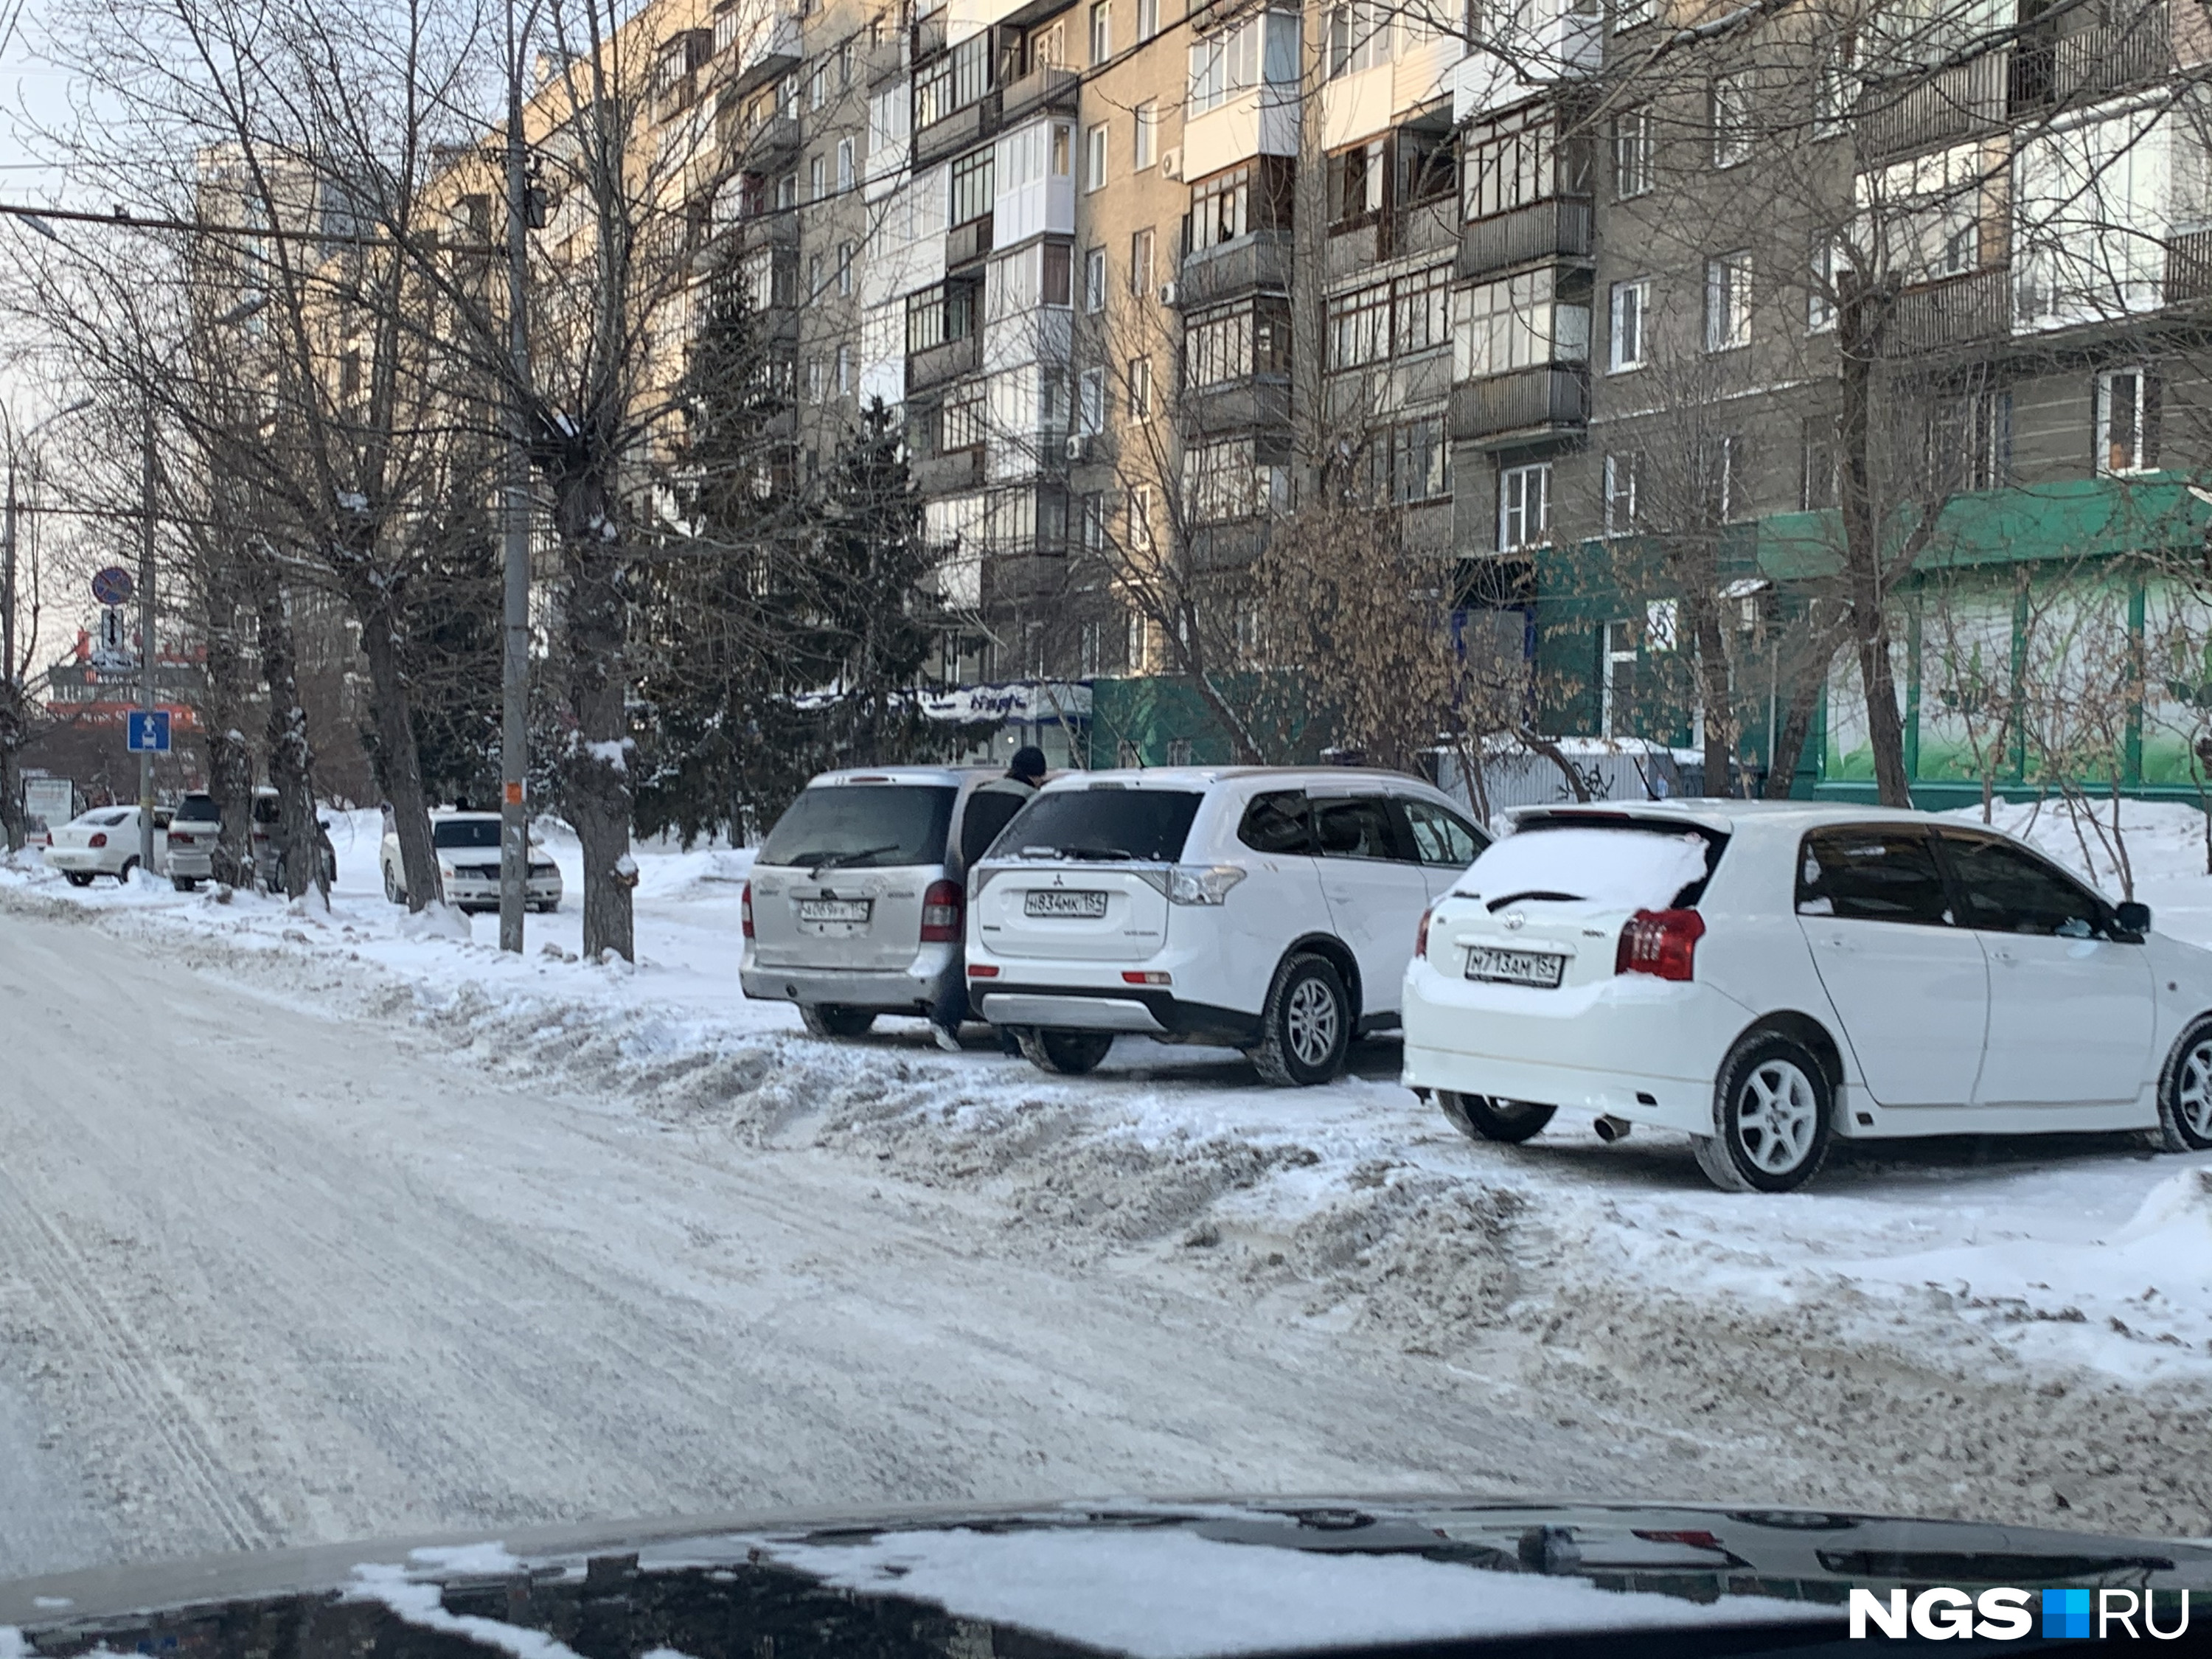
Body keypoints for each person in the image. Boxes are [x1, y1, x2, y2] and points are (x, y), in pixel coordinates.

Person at [937, 746, 1050, 1053]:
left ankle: (945, 1019)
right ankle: (1010, 1039)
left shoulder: (980, 793)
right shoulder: (1030, 800)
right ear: (1036, 775)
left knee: (972, 954)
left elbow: (966, 837)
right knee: (1007, 961)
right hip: (1011, 886)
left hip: (976, 880)